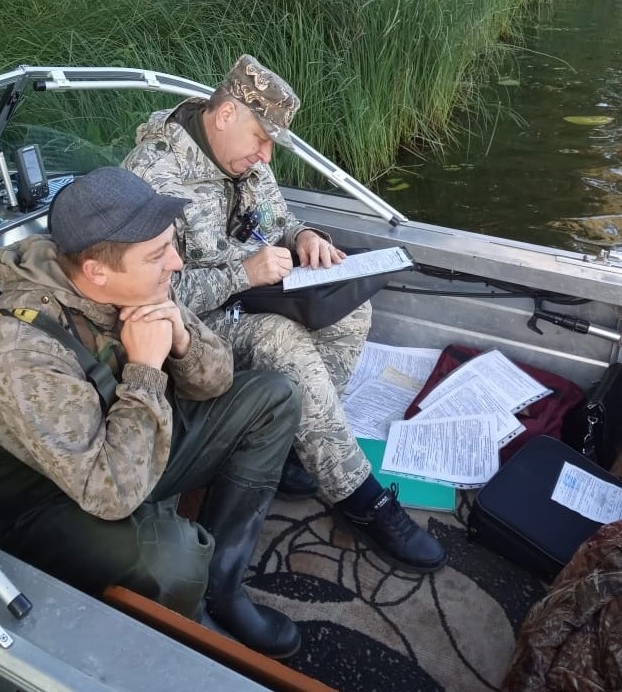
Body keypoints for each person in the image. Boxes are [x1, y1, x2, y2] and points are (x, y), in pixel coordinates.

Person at [0, 166, 304, 658]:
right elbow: (110, 492)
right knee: (174, 562)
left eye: (170, 245)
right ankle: (186, 629)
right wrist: (144, 370)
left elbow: (217, 381)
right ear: (96, 271)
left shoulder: (134, 278)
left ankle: (223, 585)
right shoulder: (17, 350)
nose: (176, 263)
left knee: (274, 397)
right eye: (159, 255)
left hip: (125, 446)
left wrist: (181, 340)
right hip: (54, 502)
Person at [122, 55, 447, 573]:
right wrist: (242, 274)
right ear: (225, 114)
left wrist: (304, 236)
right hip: (192, 326)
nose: (265, 155)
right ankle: (359, 498)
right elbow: (146, 293)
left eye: (272, 143)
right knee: (280, 340)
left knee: (351, 312)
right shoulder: (152, 174)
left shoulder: (241, 157)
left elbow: (278, 219)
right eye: (261, 138)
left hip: (251, 297)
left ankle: (300, 447)